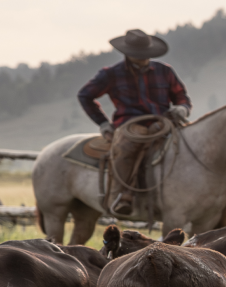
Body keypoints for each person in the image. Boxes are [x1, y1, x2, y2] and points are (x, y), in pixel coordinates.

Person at [77, 29, 192, 217]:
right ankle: (122, 195)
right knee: (127, 147)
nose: (143, 58)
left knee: (189, 145)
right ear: (127, 53)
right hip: (130, 123)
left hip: (163, 121)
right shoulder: (111, 74)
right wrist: (103, 124)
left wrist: (182, 108)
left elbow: (181, 96)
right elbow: (85, 95)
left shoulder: (165, 71)